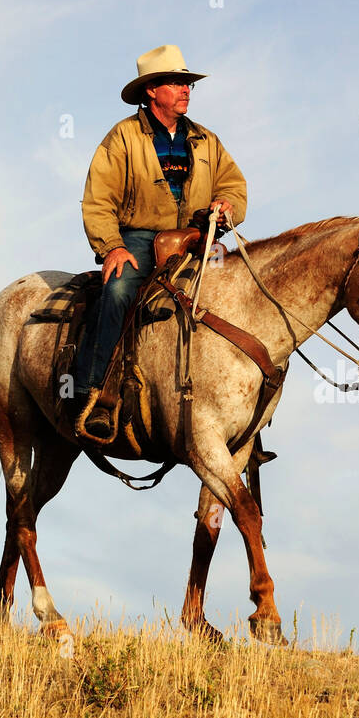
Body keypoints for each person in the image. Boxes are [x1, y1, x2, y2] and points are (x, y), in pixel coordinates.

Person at [72, 44, 247, 440]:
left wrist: (226, 204)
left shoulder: (206, 140)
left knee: (240, 298)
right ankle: (93, 393)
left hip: (196, 240)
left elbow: (233, 184)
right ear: (152, 90)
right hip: (137, 236)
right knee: (117, 292)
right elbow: (99, 199)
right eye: (176, 82)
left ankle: (240, 420)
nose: (186, 89)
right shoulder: (123, 137)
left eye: (187, 83)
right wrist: (111, 247)